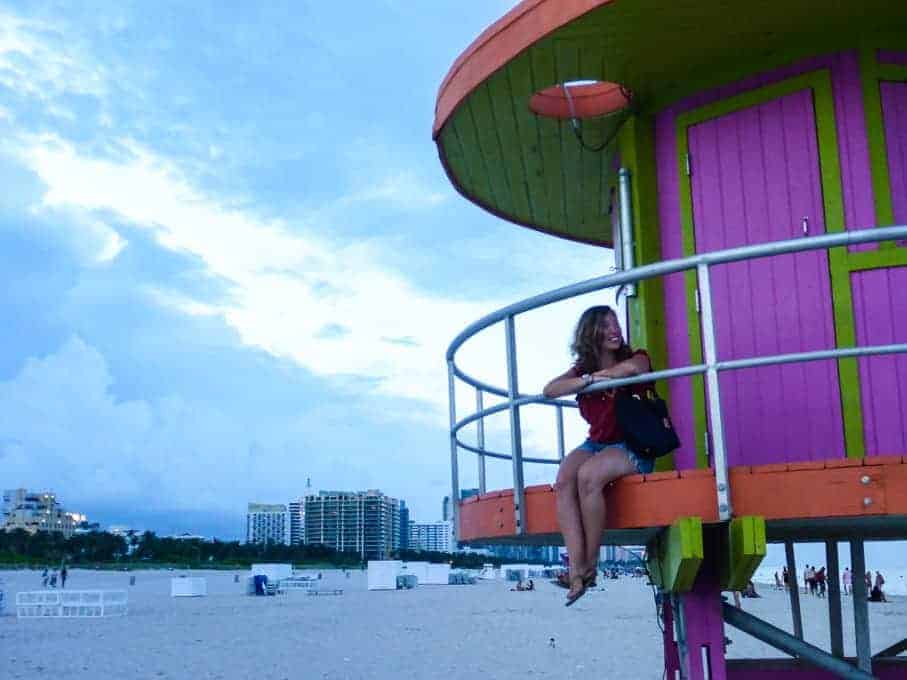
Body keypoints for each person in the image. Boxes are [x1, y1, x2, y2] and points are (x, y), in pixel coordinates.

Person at [543, 305, 653, 606]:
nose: (614, 329)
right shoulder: (582, 371)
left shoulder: (637, 356)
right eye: (605, 325)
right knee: (565, 480)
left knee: (588, 477)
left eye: (615, 322)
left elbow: (633, 370)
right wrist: (588, 380)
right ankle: (575, 569)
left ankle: (589, 568)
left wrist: (597, 377)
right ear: (591, 333)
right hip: (597, 444)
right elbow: (550, 390)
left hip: (633, 446)